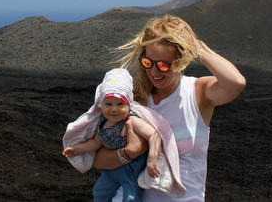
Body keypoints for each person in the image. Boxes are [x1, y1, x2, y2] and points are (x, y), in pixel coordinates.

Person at [94, 15, 246, 202]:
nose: (154, 72)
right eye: (148, 62)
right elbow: (98, 158)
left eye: (164, 65)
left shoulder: (197, 93)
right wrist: (129, 152)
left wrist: (196, 46)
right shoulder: (131, 99)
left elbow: (236, 83)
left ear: (181, 61)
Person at [62, 68, 167, 202]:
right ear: (101, 104)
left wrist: (152, 158)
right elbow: (95, 143)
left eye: (120, 104)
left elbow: (154, 135)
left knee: (131, 197)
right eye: (108, 104)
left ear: (129, 103)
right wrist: (76, 149)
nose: (114, 109)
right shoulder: (102, 122)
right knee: (99, 192)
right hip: (112, 168)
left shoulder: (131, 120)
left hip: (131, 168)